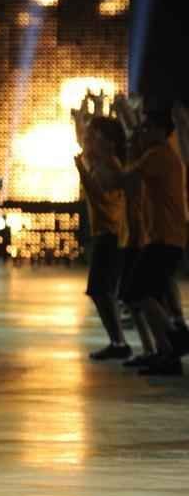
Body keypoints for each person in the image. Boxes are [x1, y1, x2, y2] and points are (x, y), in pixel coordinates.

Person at [96, 110, 188, 376]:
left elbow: (120, 180)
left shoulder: (158, 155)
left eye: (148, 128)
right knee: (142, 294)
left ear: (161, 131)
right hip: (162, 237)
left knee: (139, 293)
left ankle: (175, 339)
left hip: (164, 238)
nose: (144, 133)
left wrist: (107, 157)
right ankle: (165, 350)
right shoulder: (157, 155)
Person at [74, 117, 130, 359]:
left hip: (112, 232)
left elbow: (100, 192)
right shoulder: (98, 161)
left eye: (95, 136)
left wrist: (81, 171)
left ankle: (119, 342)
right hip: (104, 232)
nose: (89, 140)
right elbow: (82, 140)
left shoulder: (111, 164)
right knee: (100, 291)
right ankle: (117, 341)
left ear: (108, 141)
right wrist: (78, 121)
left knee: (102, 290)